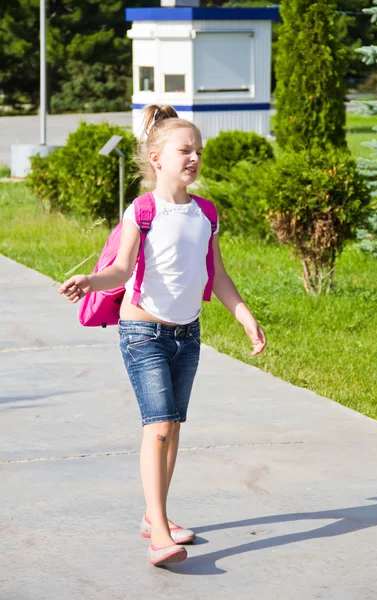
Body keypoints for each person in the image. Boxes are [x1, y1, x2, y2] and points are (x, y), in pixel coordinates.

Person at [59, 104, 266, 567]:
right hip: (142, 333)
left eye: (198, 151)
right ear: (157, 158)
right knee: (157, 428)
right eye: (184, 150)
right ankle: (158, 534)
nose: (193, 158)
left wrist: (244, 315)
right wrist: (90, 283)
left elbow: (219, 274)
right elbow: (120, 268)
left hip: (187, 335)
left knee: (171, 428)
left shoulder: (206, 213)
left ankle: (157, 518)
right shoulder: (144, 209)